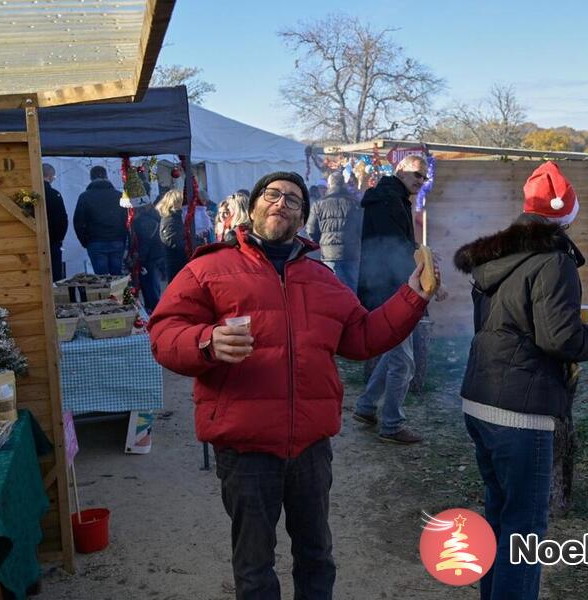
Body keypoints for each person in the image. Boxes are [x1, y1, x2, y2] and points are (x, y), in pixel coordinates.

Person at [147, 171, 435, 600]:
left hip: (310, 449)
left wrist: (412, 296)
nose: (282, 203)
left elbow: (361, 337)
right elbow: (164, 333)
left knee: (317, 556)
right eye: (273, 194)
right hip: (245, 448)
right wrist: (205, 342)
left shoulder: (321, 279)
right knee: (254, 565)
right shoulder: (208, 269)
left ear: (304, 218)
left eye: (294, 200)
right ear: (255, 206)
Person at [454, 161, 588, 600]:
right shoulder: (553, 261)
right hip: (522, 411)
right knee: (524, 533)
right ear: (567, 217)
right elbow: (559, 338)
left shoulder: (497, 256)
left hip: (480, 400)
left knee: (499, 513)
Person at [353, 154, 429, 444]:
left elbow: (401, 244)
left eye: (423, 177)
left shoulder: (392, 196)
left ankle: (366, 407)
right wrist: (423, 279)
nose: (420, 181)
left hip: (384, 287)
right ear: (400, 171)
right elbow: (395, 251)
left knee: (395, 353)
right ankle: (392, 425)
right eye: (415, 175)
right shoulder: (388, 200)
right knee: (403, 362)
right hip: (388, 289)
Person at [305, 171, 363, 291]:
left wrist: (320, 242)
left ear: (329, 185)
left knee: (333, 287)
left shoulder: (319, 204)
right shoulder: (355, 203)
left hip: (329, 253)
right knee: (352, 287)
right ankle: (353, 309)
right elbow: (361, 227)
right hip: (352, 252)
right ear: (344, 184)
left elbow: (310, 230)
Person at [73, 165, 127, 275]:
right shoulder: (119, 195)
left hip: (95, 241)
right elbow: (126, 219)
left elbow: (78, 221)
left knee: (102, 280)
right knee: (117, 278)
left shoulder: (85, 197)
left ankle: (106, 293)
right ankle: (117, 293)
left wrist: (85, 241)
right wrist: (123, 238)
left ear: (91, 178)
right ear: (107, 176)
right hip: (117, 240)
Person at [132, 201, 165, 313]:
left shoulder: (143, 221)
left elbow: (145, 242)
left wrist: (140, 258)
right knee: (152, 282)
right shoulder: (153, 217)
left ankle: (154, 308)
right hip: (156, 254)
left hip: (150, 256)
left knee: (150, 283)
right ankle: (152, 307)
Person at [42, 163, 68, 281]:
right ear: (50, 176)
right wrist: (59, 238)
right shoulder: (54, 194)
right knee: (55, 275)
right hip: (54, 241)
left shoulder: (30, 194)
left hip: (34, 239)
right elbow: (62, 219)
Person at [157, 190, 188, 282]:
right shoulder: (170, 220)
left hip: (179, 262)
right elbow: (174, 243)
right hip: (176, 264)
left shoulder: (176, 218)